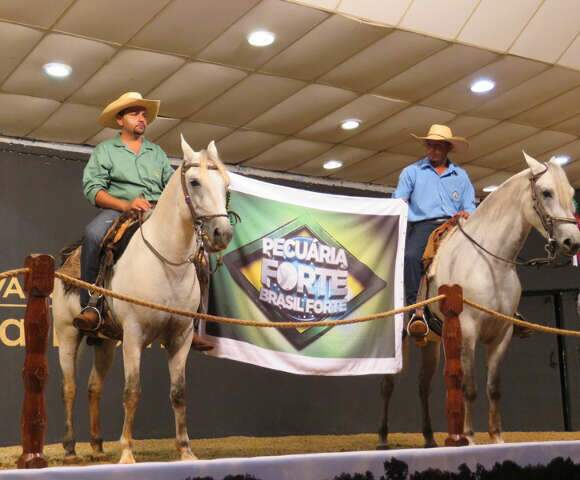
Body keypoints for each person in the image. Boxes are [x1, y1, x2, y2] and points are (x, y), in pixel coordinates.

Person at [74, 91, 212, 351]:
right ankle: (92, 305)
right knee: (93, 235)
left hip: (156, 213)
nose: (141, 118)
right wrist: (126, 204)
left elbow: (171, 186)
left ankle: (191, 323)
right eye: (134, 113)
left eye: (143, 114)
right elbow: (94, 189)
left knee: (201, 253)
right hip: (119, 211)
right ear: (120, 120)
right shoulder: (105, 150)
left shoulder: (156, 153)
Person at [393, 124, 476, 340]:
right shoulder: (412, 172)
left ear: (448, 148)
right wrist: (399, 204)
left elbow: (470, 206)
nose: (434, 150)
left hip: (455, 225)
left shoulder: (461, 176)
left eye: (439, 147)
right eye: (430, 146)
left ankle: (499, 305)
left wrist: (466, 214)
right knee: (411, 257)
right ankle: (415, 312)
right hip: (424, 225)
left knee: (485, 252)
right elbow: (398, 199)